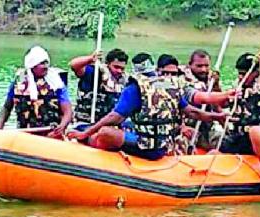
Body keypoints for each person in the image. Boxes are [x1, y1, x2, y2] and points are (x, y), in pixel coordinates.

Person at [67, 54, 237, 160]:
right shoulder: (170, 86)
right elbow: (193, 111)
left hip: (146, 146)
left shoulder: (134, 87)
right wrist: (218, 117)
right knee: (126, 126)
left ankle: (97, 157)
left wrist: (86, 133)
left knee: (105, 132)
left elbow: (114, 117)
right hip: (165, 145)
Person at [219, 48, 260, 195]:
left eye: (244, 74)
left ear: (256, 74)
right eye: (239, 74)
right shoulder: (239, 89)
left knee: (255, 131)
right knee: (212, 152)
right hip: (240, 138)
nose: (241, 77)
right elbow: (222, 105)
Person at [0, 46, 72, 138]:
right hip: (24, 131)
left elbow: (67, 111)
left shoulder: (55, 82)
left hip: (50, 132)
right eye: (42, 64)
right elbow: (7, 107)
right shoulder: (20, 81)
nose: (46, 66)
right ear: (33, 65)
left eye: (46, 63)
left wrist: (61, 126)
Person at [70, 48, 128, 126]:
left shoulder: (125, 80)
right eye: (116, 67)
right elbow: (74, 65)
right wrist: (90, 59)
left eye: (122, 68)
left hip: (112, 124)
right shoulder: (95, 73)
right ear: (107, 64)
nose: (119, 71)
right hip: (88, 122)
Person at [180, 49, 223, 150]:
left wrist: (216, 85)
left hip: (207, 126)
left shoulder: (211, 78)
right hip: (187, 127)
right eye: (199, 66)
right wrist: (181, 127)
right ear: (190, 65)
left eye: (206, 66)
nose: (203, 69)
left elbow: (220, 104)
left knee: (223, 141)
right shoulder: (182, 79)